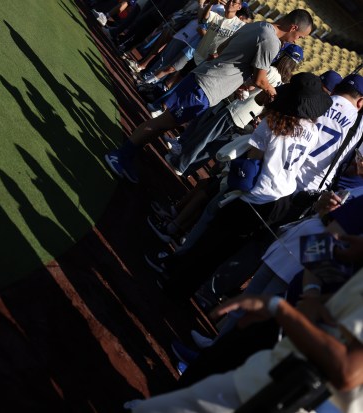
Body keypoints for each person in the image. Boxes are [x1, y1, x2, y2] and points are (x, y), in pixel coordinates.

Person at [154, 73, 332, 300]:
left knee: (210, 241)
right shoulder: (313, 130)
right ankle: (183, 289)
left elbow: (253, 159)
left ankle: (173, 282)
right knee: (224, 252)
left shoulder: (274, 122)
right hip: (282, 198)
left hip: (255, 195)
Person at [105, 9, 314, 183]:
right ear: (294, 27)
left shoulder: (258, 25)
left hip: (206, 78)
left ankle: (128, 155)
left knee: (165, 123)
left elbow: (223, 48)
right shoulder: (272, 41)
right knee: (162, 122)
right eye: (300, 37)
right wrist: (272, 91)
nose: (297, 41)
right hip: (208, 85)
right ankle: (120, 154)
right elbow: (260, 79)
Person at [130, 264, 363, 413]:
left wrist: (279, 307)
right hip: (291, 360)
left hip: (292, 387)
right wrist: (311, 296)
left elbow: (347, 371)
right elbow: (322, 245)